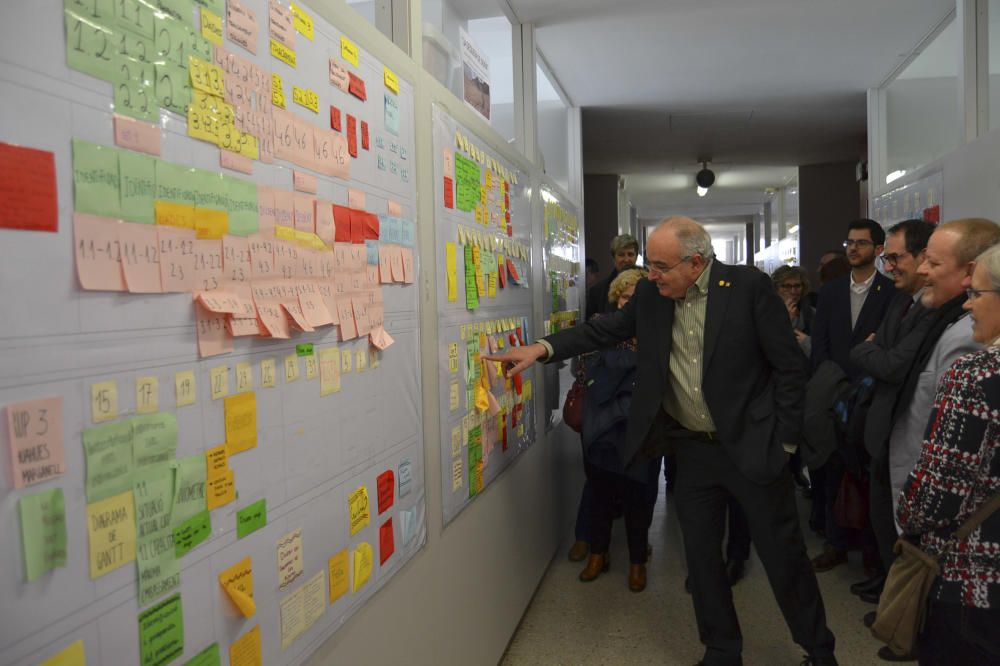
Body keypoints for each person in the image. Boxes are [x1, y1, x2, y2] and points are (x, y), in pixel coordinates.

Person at [486, 217, 837, 666]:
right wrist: (541, 348)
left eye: (659, 266)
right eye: (649, 265)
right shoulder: (653, 296)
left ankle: (819, 651)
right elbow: (603, 330)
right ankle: (722, 650)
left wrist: (785, 443)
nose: (649, 275)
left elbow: (789, 367)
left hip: (753, 446)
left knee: (784, 559)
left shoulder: (747, 288)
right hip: (692, 450)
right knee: (702, 559)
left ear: (696, 262)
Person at [896, 242, 1000, 665]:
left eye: (976, 294)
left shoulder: (975, 376)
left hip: (975, 581)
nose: (969, 306)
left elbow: (936, 494)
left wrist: (906, 518)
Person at [846, 219, 936, 655]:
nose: (889, 265)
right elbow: (878, 353)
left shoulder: (936, 309)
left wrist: (868, 349)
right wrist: (872, 350)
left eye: (896, 257)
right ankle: (891, 603)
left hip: (904, 436)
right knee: (883, 521)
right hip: (880, 432)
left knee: (903, 530)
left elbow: (891, 364)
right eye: (888, 258)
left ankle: (906, 625)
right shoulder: (903, 302)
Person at [886, 219, 999, 513]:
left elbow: (951, 465)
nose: (922, 270)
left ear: (970, 272)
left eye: (933, 263)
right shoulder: (942, 317)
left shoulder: (970, 346)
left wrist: (913, 512)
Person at [809, 219, 896, 574]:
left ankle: (869, 547)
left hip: (870, 392)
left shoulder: (892, 293)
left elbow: (887, 345)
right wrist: (828, 380)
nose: (853, 248)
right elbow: (820, 342)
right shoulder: (830, 291)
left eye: (861, 243)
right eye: (850, 242)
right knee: (831, 470)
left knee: (864, 472)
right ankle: (835, 543)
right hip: (833, 389)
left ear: (878, 250)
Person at [576, 268, 658, 592]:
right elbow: (590, 368)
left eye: (638, 298)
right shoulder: (600, 327)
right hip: (602, 426)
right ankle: (598, 553)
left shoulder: (658, 331)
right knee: (599, 493)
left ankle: (638, 560)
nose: (631, 304)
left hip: (641, 428)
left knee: (639, 496)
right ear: (616, 299)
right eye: (626, 297)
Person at [586, 233, 638, 320]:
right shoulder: (597, 292)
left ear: (636, 257)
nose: (626, 259)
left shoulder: (648, 285)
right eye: (621, 255)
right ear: (613, 258)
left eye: (630, 254)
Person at [772, 265, 815, 356]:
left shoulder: (812, 313)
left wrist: (807, 342)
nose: (793, 291)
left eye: (797, 286)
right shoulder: (768, 313)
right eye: (786, 286)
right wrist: (787, 321)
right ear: (776, 289)